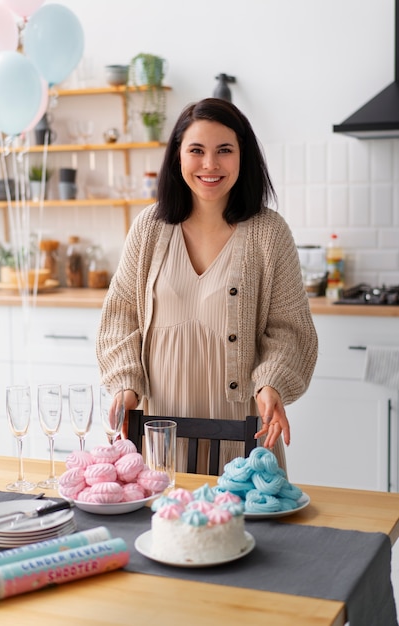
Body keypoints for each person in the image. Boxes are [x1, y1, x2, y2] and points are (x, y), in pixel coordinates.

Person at [96, 97, 318, 474]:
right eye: (196, 150)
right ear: (178, 157)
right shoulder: (149, 228)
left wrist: (272, 385)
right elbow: (121, 317)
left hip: (243, 433)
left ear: (242, 156)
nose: (210, 164)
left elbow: (290, 331)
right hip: (160, 432)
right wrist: (126, 384)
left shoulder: (269, 233)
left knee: (245, 532)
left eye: (224, 151)